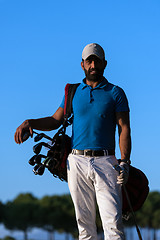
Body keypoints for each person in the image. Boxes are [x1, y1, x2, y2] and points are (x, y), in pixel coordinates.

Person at [14, 43, 131, 240]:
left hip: (106, 161)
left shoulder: (115, 93)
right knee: (84, 228)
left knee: (113, 226)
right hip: (76, 162)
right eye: (89, 61)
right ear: (82, 64)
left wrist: (125, 161)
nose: (93, 64)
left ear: (105, 64)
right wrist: (29, 122)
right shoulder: (73, 92)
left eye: (97, 60)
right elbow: (55, 119)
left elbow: (124, 128)